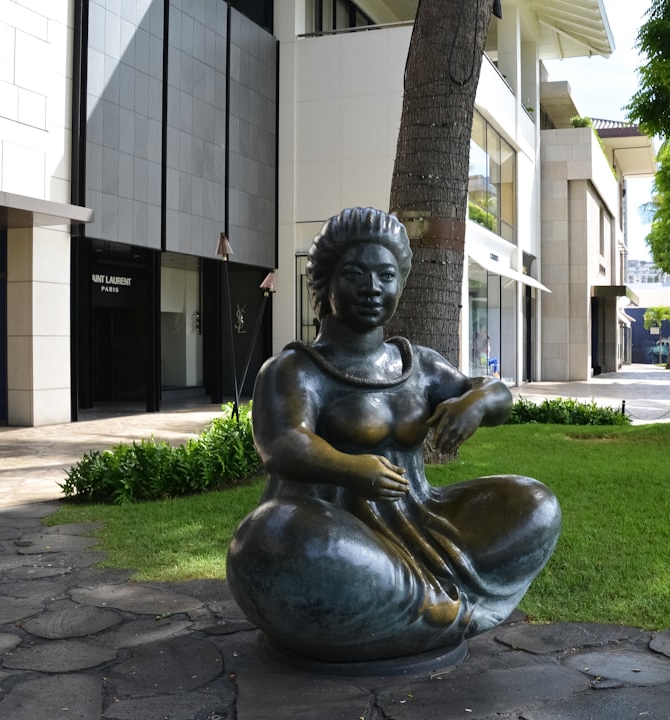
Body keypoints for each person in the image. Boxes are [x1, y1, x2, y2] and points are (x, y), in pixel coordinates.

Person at [226, 207, 561, 667]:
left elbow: (494, 393)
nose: (371, 288)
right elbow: (284, 444)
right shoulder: (293, 369)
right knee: (269, 536)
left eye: (386, 275)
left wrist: (476, 403)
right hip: (332, 531)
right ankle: (438, 608)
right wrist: (350, 468)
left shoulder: (417, 364)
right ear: (326, 284)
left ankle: (428, 610)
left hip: (422, 520)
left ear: (400, 284)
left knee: (534, 503)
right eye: (355, 275)